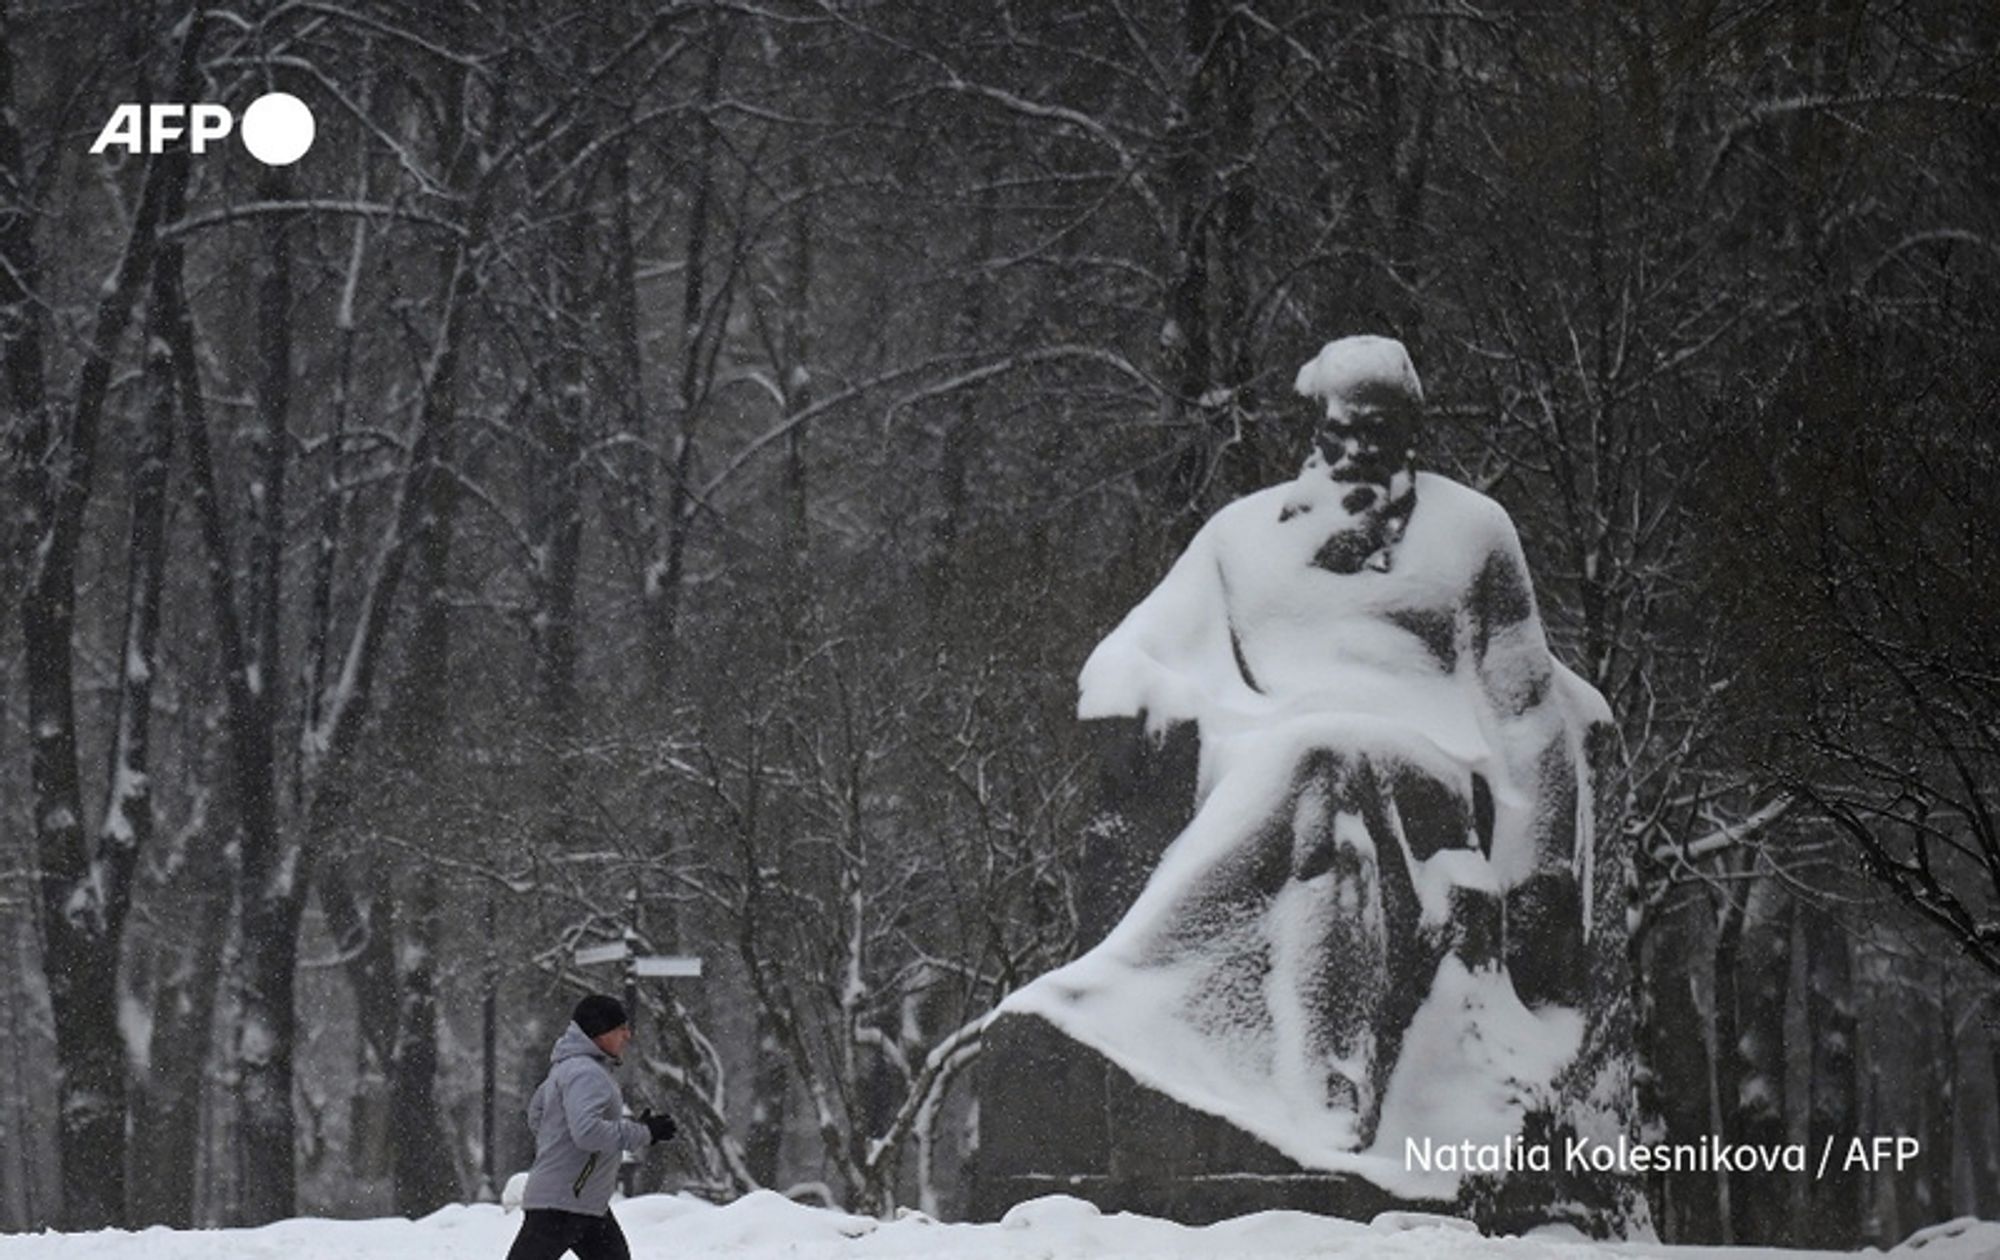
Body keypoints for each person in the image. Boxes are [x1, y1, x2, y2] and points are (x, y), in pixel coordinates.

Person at [1009, 335, 1612, 1155]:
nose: (1364, 451)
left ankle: (1126, 981)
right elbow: (1130, 651)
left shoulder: (1474, 532)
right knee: (1322, 792)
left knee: (1328, 756)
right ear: (1315, 426)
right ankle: (1324, 1090)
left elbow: (1530, 713)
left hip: (1434, 780)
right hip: (1267, 774)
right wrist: (1134, 694)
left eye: (1384, 432)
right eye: (1346, 430)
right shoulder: (1238, 538)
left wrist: (1541, 883)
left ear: (1413, 431)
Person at [506, 994, 677, 1260]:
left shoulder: (566, 1068)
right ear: (600, 1032)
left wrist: (562, 1150)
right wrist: (644, 1132)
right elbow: (587, 1132)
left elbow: (538, 1116)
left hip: (578, 1199)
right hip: (565, 1200)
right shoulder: (587, 1074)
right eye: (621, 1028)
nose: (628, 1035)